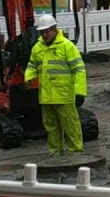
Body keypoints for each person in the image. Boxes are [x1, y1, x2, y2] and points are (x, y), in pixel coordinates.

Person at [24, 14, 88, 157]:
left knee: (71, 125)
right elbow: (32, 65)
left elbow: (79, 70)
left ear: (55, 29)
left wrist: (79, 92)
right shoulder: (37, 48)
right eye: (42, 32)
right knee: (51, 126)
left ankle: (76, 152)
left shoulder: (67, 46)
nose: (45, 35)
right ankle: (55, 153)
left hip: (64, 95)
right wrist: (28, 77)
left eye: (47, 31)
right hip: (46, 96)